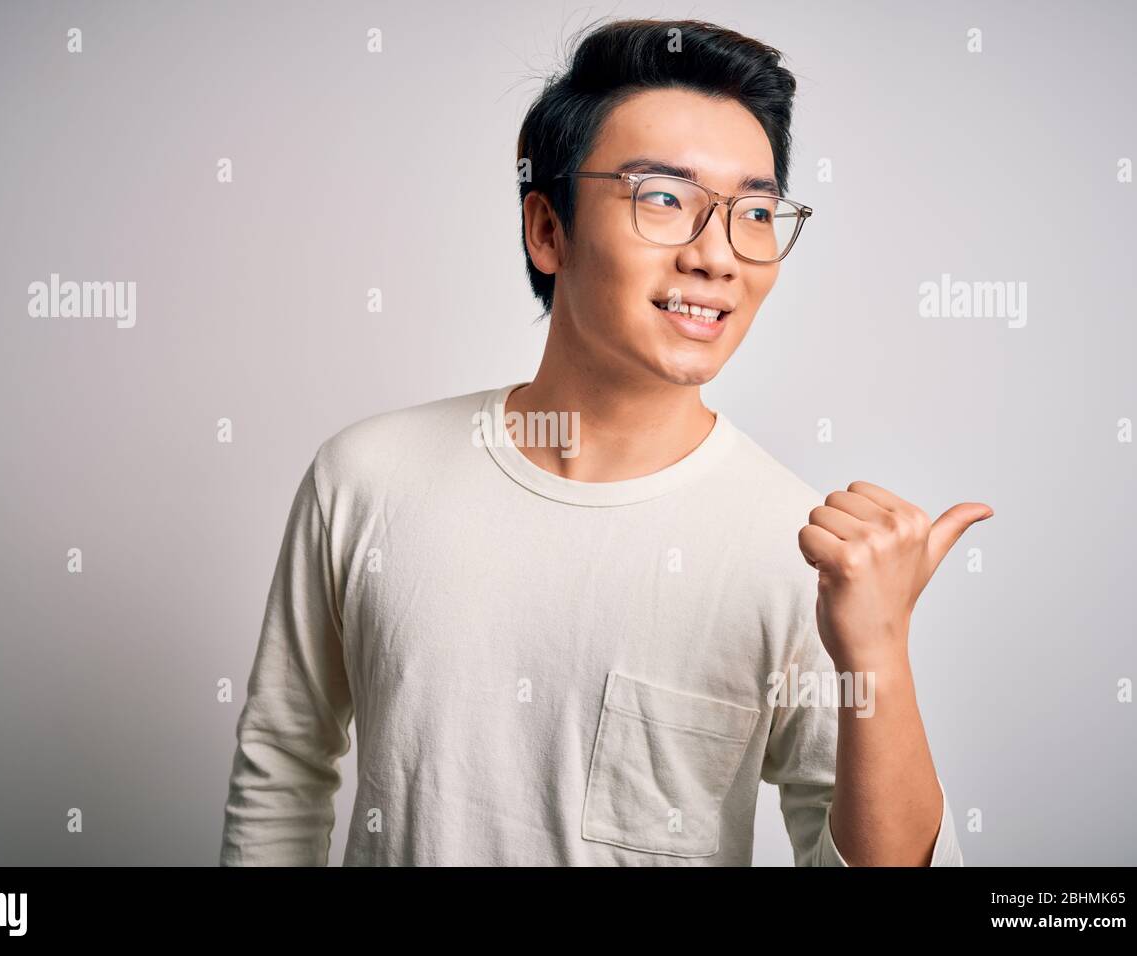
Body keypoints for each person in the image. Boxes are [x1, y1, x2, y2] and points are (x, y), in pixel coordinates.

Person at [220, 17, 989, 866]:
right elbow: (284, 772)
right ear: (548, 229)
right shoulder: (366, 477)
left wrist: (877, 652)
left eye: (757, 211)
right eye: (663, 197)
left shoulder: (805, 552)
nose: (717, 255)